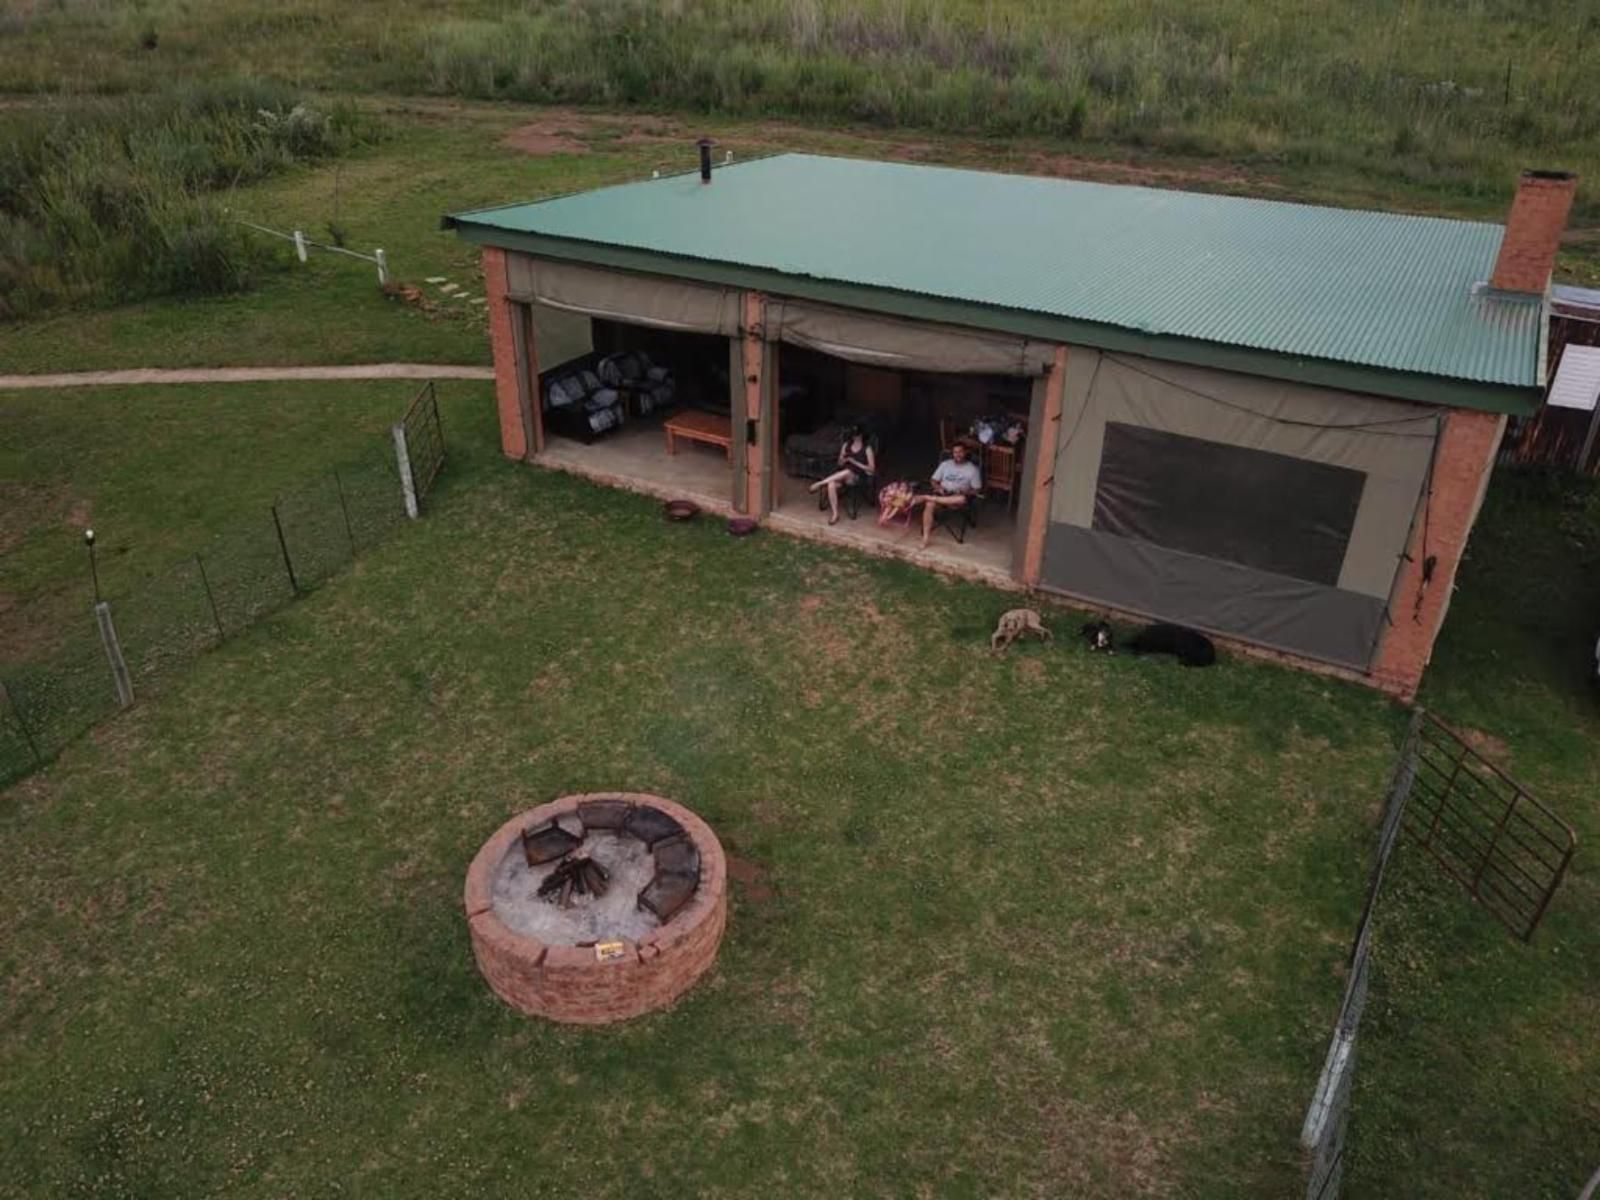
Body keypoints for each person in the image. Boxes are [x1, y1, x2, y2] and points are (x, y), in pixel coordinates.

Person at [908, 439, 982, 548]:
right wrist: (938, 487)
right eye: (955, 452)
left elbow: (977, 490)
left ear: (965, 452)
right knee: (929, 504)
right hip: (943, 494)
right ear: (952, 454)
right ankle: (925, 538)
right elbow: (933, 480)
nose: (958, 454)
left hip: (958, 498)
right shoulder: (945, 464)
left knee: (960, 499)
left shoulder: (972, 469)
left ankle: (925, 497)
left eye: (960, 451)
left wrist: (966, 491)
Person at [807, 426, 876, 525]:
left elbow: (872, 469)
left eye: (857, 435)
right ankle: (835, 514)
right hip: (842, 475)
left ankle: (820, 483)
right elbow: (839, 463)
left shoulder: (867, 448)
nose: (854, 437)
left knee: (848, 472)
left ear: (861, 435)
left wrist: (854, 462)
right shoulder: (846, 445)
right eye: (853, 435)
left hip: (856, 476)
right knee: (831, 484)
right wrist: (843, 460)